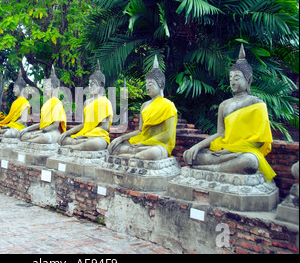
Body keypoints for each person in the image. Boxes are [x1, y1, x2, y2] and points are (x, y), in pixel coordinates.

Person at [183, 44, 276, 182]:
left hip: (243, 153)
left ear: (248, 80)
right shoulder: (224, 105)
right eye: (231, 77)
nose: (232, 81)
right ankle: (220, 164)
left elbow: (259, 142)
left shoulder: (257, 104)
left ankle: (210, 169)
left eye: (237, 78)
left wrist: (231, 151)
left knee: (250, 162)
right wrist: (197, 146)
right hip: (223, 149)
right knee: (188, 155)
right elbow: (221, 133)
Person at [108, 56, 177, 160]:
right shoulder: (145, 105)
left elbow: (167, 134)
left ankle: (130, 156)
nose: (147, 87)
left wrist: (144, 144)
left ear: (161, 84)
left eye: (150, 84)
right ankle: (133, 156)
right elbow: (140, 130)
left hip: (158, 145)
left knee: (153, 153)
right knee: (113, 147)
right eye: (146, 84)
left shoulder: (168, 105)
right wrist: (121, 138)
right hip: (141, 143)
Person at [57, 63, 113, 151]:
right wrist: (67, 132)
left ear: (101, 85)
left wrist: (86, 135)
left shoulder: (105, 102)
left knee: (94, 144)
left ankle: (73, 147)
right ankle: (76, 145)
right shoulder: (87, 102)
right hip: (84, 135)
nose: (89, 87)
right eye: (89, 84)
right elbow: (84, 125)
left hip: (98, 136)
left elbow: (104, 127)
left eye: (92, 84)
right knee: (63, 139)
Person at [19, 67, 66, 144]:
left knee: (45, 138)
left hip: (53, 132)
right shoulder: (47, 104)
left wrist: (40, 132)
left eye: (47, 87)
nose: (45, 89)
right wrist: (27, 129)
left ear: (55, 88)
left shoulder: (57, 104)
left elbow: (55, 125)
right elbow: (42, 123)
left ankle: (29, 141)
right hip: (44, 131)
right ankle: (30, 140)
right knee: (23, 135)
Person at [0, 70, 30, 138]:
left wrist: (10, 125)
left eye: (15, 88)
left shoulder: (25, 103)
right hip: (11, 125)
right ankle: (5, 132)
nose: (13, 90)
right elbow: (10, 117)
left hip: (19, 126)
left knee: (10, 133)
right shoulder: (15, 102)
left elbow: (23, 120)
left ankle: (5, 132)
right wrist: (8, 124)